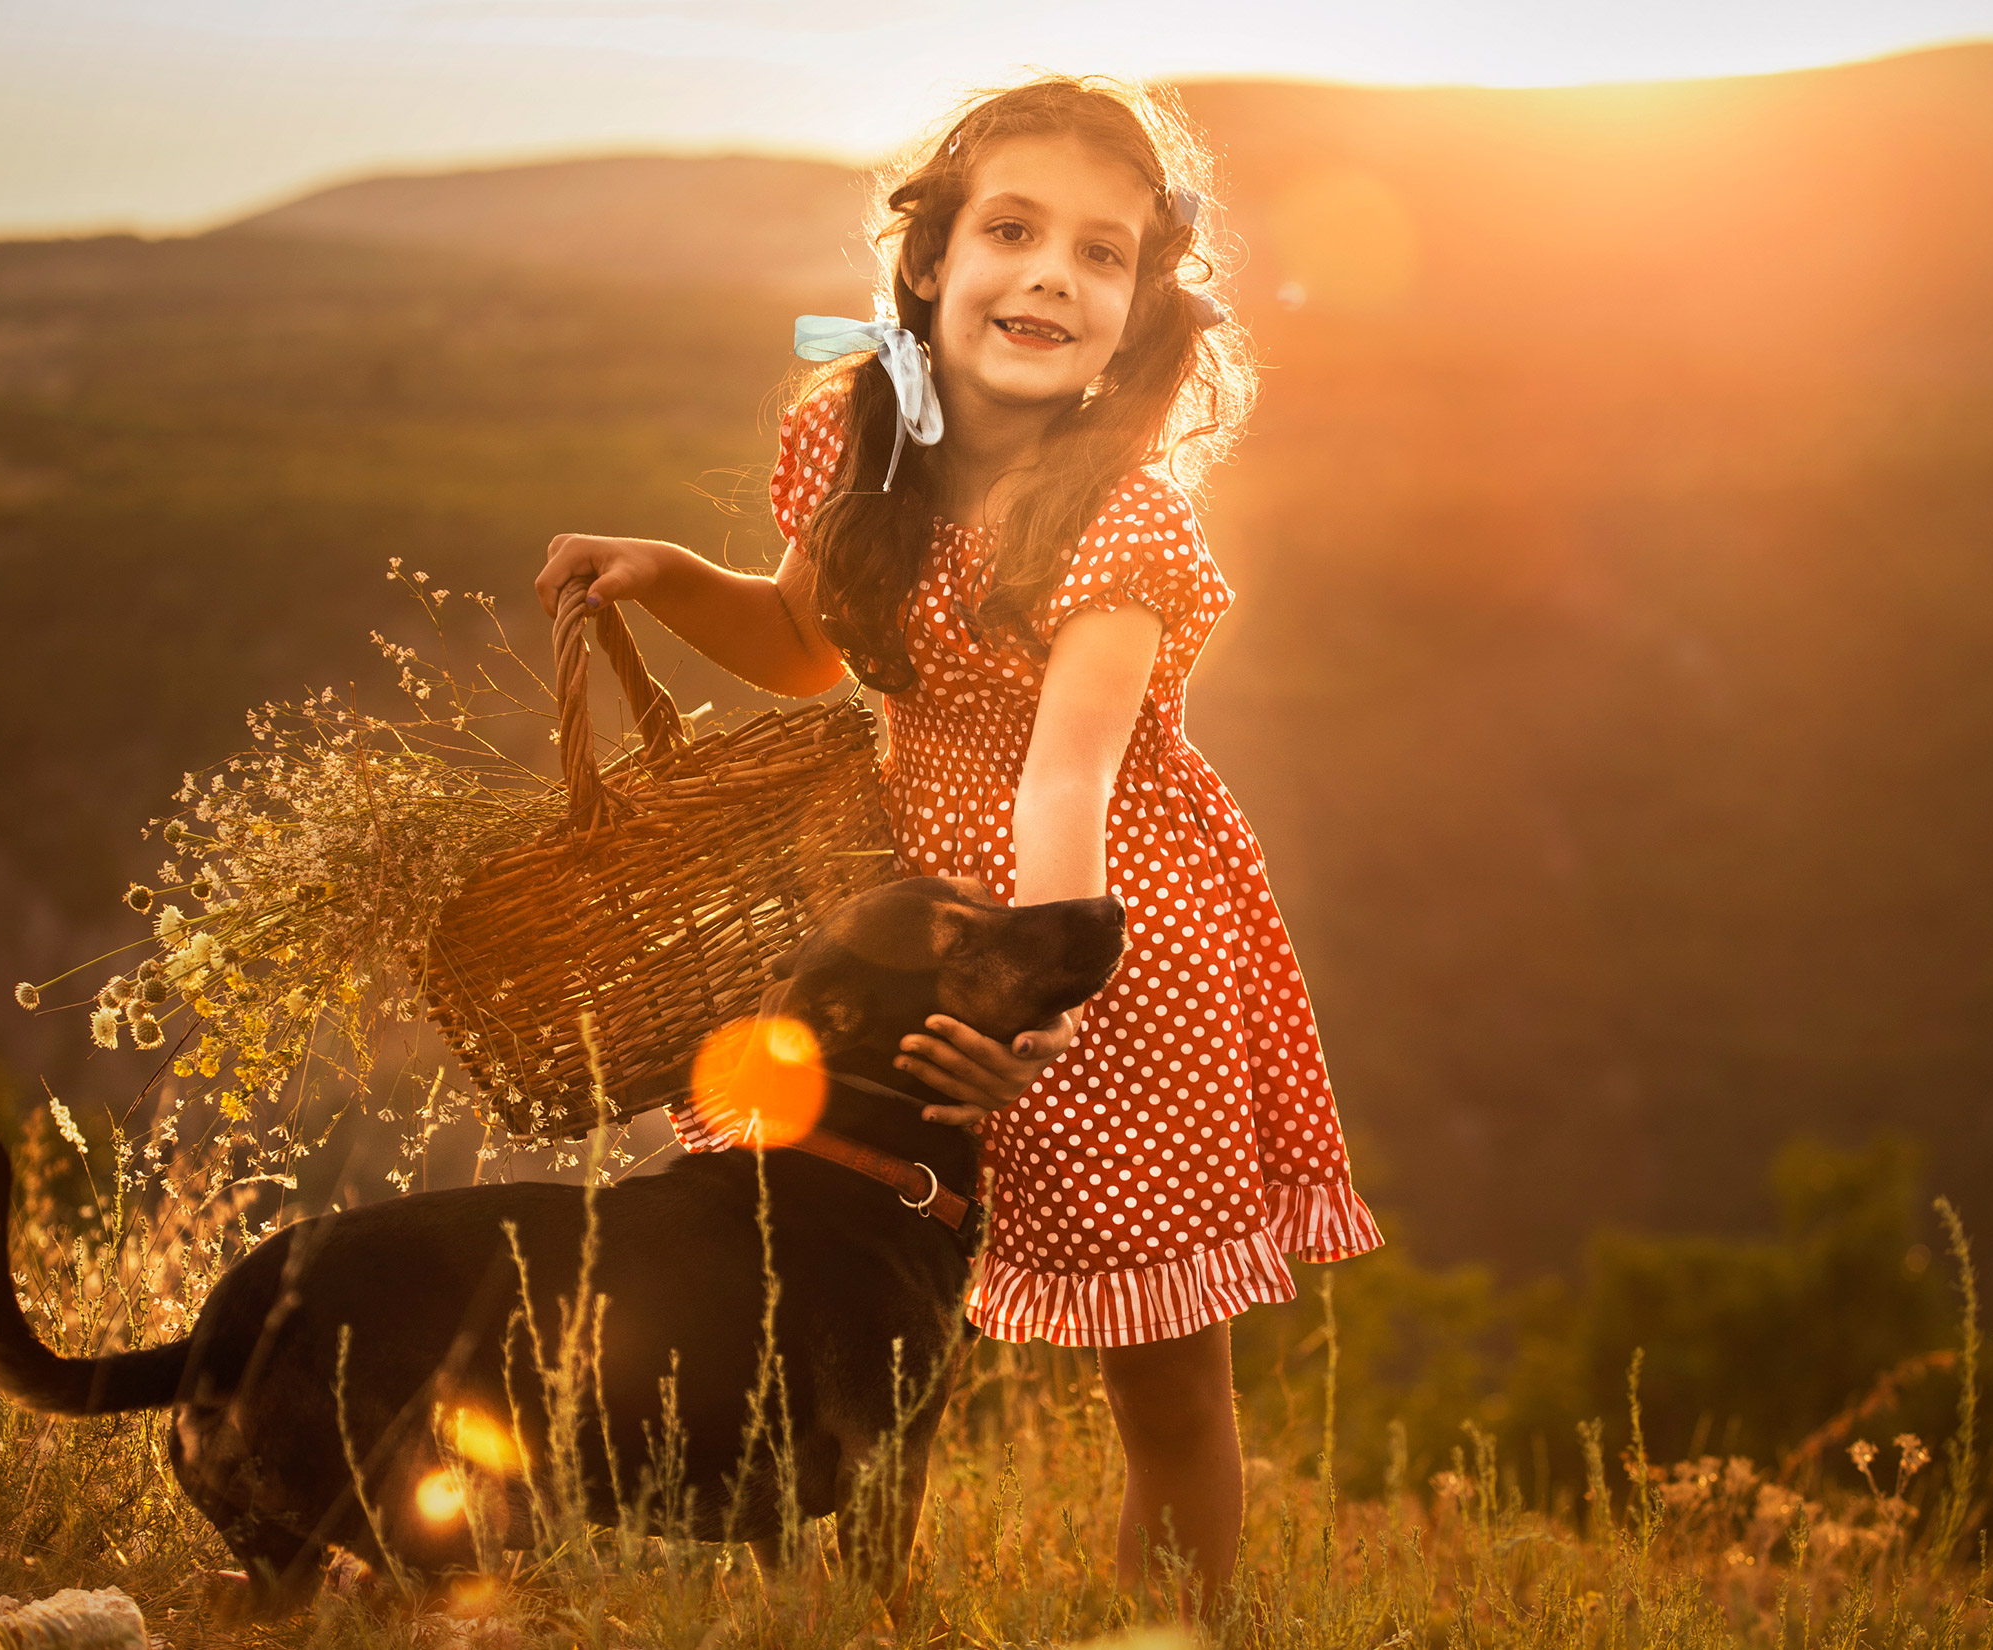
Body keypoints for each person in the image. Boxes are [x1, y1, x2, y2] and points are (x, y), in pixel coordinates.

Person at [534, 74, 1381, 1605]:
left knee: (1168, 1383)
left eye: (1104, 252)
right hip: (906, 931)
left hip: (1099, 949)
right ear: (929, 264)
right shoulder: (855, 433)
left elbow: (1067, 788)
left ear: (1137, 308)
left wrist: (1033, 1007)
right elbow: (804, 639)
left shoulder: (1126, 525)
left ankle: (1173, 1636)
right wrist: (668, 575)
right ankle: (874, 1604)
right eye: (1014, 227)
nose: (1056, 270)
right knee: (847, 1293)